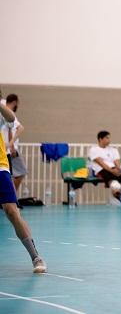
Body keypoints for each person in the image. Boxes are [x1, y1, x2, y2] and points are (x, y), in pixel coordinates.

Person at [0, 102, 47, 273]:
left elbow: (11, 119)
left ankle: (36, 257)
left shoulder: (1, 111)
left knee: (12, 211)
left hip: (0, 167)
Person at [1, 94, 28, 191]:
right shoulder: (7, 112)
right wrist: (11, 145)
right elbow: (19, 128)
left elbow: (10, 127)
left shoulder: (5, 111)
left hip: (6, 149)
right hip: (6, 150)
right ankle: (12, 198)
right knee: (13, 175)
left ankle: (11, 198)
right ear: (15, 102)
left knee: (10, 175)